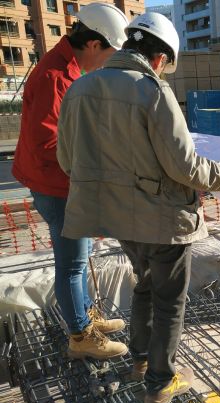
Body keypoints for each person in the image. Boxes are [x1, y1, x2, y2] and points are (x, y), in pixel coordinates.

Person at [56, 12, 220, 403]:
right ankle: (159, 384)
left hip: (117, 220)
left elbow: (68, 161)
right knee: (169, 300)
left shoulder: (79, 90)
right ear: (160, 58)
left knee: (145, 285)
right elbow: (185, 168)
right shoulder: (152, 91)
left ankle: (140, 361)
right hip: (164, 222)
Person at [12, 3, 130, 360]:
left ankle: (85, 320)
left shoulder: (67, 68)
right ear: (94, 44)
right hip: (56, 186)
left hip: (60, 182)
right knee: (72, 263)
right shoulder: (55, 76)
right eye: (110, 52)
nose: (108, 61)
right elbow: (47, 143)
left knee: (80, 257)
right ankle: (80, 336)